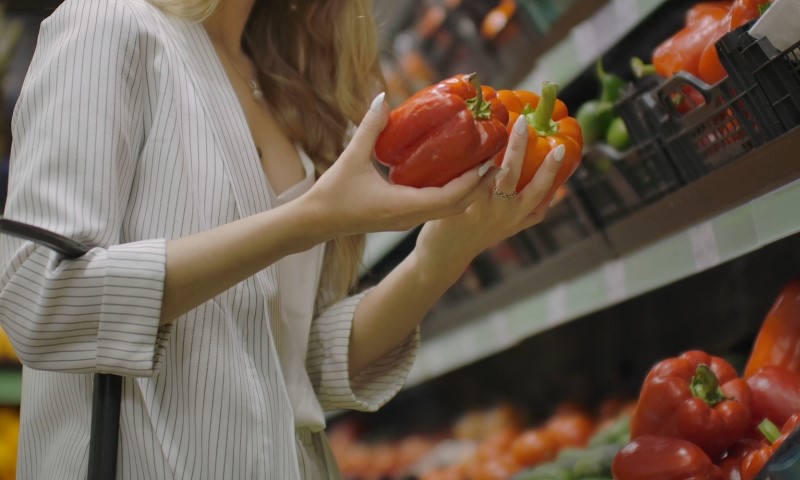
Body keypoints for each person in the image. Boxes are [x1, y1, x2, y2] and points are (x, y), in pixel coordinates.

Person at [0, 0, 564, 478]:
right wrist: (308, 219)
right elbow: (41, 299)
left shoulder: (277, 81)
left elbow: (290, 369)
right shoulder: (109, 25)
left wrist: (441, 255)